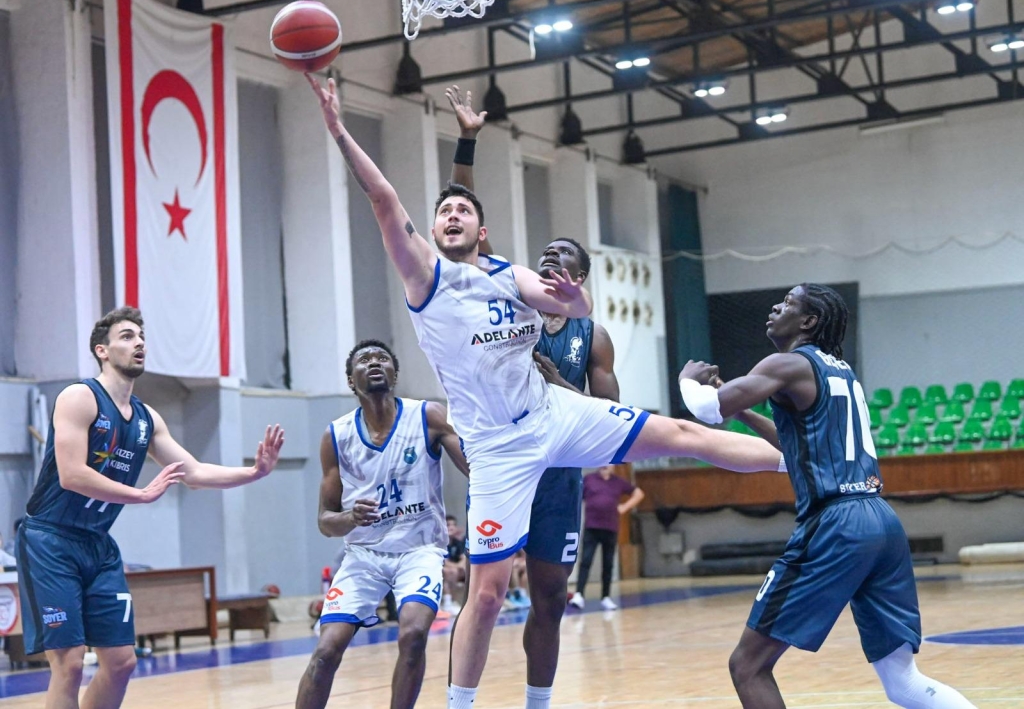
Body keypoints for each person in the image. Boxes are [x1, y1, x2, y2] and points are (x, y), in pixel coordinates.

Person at [305, 73, 786, 709]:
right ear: (432, 231)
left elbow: (574, 305)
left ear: (482, 231)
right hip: (496, 448)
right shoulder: (425, 275)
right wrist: (338, 128)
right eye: (443, 211)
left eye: (463, 211)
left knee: (681, 432)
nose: (452, 215)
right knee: (486, 594)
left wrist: (572, 297)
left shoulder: (509, 275)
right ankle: (459, 705)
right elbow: (384, 197)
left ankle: (800, 463)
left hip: (553, 413)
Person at [679, 284, 977, 709]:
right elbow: (793, 442)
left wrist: (686, 379)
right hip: (880, 520)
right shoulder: (840, 371)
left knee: (747, 665)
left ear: (809, 321)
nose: (775, 306)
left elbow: (707, 409)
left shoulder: (787, 363)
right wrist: (745, 410)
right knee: (903, 682)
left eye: (788, 303)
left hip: (837, 524)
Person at [444, 84, 624, 707]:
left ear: (578, 278)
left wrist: (557, 383)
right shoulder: (508, 290)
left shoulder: (592, 335)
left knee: (549, 598)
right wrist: (467, 139)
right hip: (504, 461)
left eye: (561, 256)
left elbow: (606, 420)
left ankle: (539, 703)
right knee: (484, 595)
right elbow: (462, 216)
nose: (548, 257)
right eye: (544, 252)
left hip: (558, 478)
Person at [16, 306, 284, 709]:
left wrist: (253, 472)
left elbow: (194, 472)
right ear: (102, 350)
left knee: (121, 663)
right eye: (127, 336)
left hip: (97, 545)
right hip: (49, 541)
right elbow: (72, 475)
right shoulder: (79, 397)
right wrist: (139, 494)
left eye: (141, 337)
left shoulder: (147, 419)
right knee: (69, 665)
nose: (139, 343)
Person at [296, 339, 469, 709]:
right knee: (326, 651)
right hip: (364, 555)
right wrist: (349, 517)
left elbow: (476, 470)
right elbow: (325, 522)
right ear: (350, 380)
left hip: (419, 549)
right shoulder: (336, 435)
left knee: (414, 635)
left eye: (382, 358)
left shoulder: (428, 416)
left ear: (395, 373)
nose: (374, 362)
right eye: (364, 359)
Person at [570, 465, 644, 611]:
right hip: (591, 527)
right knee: (585, 561)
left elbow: (639, 493)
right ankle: (579, 594)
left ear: (613, 466)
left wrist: (624, 507)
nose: (605, 465)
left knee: (608, 564)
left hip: (610, 528)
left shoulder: (618, 482)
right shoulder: (589, 479)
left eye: (609, 463)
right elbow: (576, 496)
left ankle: (606, 597)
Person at [442, 515, 468, 615]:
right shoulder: (441, 542)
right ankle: (448, 603)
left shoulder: (458, 542)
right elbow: (445, 562)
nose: (451, 527)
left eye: (453, 525)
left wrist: (461, 566)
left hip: (455, 569)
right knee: (451, 571)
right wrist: (458, 566)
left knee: (470, 570)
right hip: (442, 569)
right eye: (448, 525)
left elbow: (464, 558)